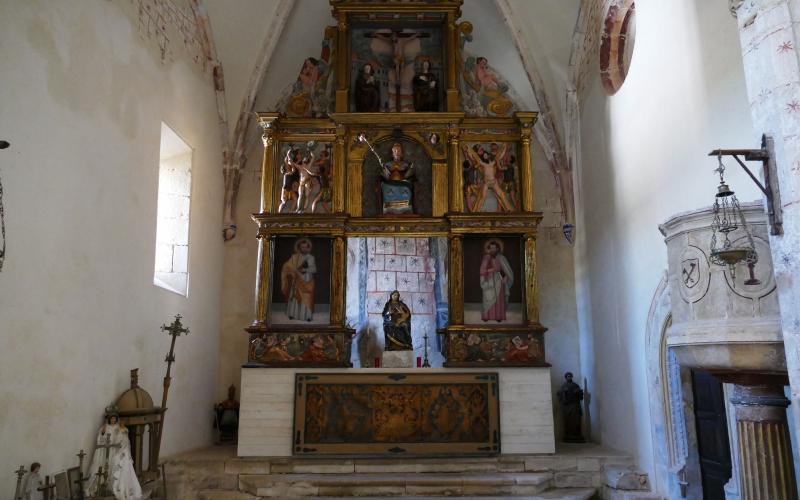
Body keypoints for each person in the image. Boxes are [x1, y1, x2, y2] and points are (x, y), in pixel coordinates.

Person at [86, 412, 142, 500]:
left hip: (115, 450)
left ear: (116, 419)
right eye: (111, 418)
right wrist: (103, 431)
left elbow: (123, 438)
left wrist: (121, 442)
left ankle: (112, 487)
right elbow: (101, 437)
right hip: (106, 451)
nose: (113, 420)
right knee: (104, 466)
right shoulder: (105, 427)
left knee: (114, 467)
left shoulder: (119, 427)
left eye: (114, 418)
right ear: (109, 419)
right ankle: (102, 485)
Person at [463, 143, 513, 212]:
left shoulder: (493, 162)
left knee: (501, 194)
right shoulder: (481, 163)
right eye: (484, 155)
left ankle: (508, 209)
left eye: (487, 154)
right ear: (482, 156)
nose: (486, 155)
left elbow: (500, 155)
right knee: (483, 196)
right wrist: (468, 150)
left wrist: (504, 148)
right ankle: (477, 211)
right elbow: (473, 156)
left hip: (493, 182)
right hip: (486, 182)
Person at [280, 238, 316, 321]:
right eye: (302, 247)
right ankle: (293, 314)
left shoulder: (310, 257)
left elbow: (314, 269)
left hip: (307, 280)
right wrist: (292, 270)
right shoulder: (294, 257)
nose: (304, 249)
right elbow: (287, 266)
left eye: (305, 247)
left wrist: (305, 270)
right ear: (299, 248)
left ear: (308, 248)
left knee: (306, 298)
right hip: (296, 280)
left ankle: (307, 316)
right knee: (294, 297)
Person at [480, 239, 514, 322]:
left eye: (494, 248)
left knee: (498, 299)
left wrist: (506, 277)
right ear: (489, 249)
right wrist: (489, 271)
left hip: (498, 280)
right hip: (488, 280)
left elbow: (507, 270)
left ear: (498, 249)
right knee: (488, 297)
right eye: (491, 248)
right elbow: (482, 270)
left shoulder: (501, 258)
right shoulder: (486, 258)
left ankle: (499, 316)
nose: (492, 250)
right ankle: (487, 316)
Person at [380, 142, 415, 214]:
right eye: (395, 150)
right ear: (392, 152)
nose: (397, 152)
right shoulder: (388, 164)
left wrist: (410, 169)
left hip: (403, 182)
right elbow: (385, 176)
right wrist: (384, 169)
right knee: (385, 187)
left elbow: (407, 176)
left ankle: (405, 207)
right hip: (390, 182)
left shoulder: (405, 164)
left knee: (407, 187)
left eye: (398, 150)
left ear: (401, 152)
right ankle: (389, 208)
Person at [557, 372, 586, 443]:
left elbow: (581, 397)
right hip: (567, 407)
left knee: (576, 420)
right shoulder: (564, 386)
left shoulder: (575, 385)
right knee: (568, 420)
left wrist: (579, 392)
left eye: (570, 376)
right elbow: (560, 395)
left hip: (575, 405)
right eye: (567, 376)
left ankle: (576, 434)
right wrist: (564, 393)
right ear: (566, 377)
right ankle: (569, 434)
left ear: (572, 377)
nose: (569, 377)